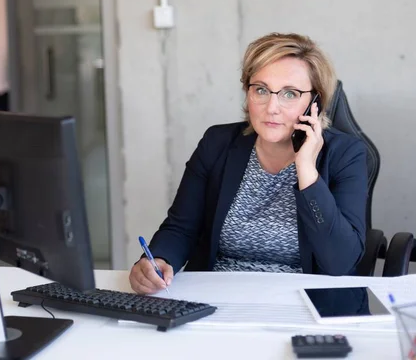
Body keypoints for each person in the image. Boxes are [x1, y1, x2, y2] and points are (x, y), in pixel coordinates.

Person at [129, 32, 368, 295]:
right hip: (219, 298)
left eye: (290, 93)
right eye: (261, 90)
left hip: (306, 303)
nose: (272, 107)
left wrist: (307, 171)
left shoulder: (346, 155)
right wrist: (159, 260)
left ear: (315, 102)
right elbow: (181, 227)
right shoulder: (217, 143)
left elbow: (341, 261)